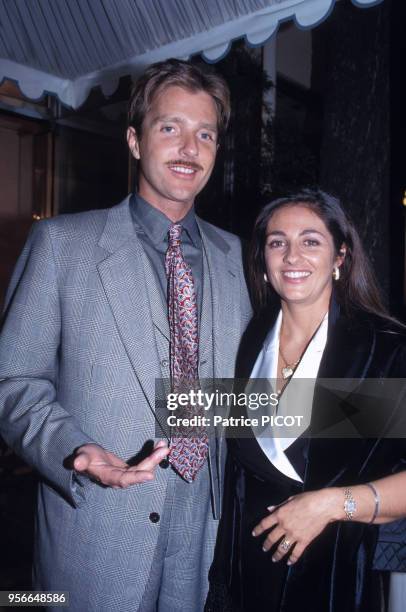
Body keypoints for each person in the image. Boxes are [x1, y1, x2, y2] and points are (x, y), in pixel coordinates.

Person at [0, 59, 252, 611]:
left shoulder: (234, 255)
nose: (189, 148)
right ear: (135, 141)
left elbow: (237, 397)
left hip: (202, 533)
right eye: (171, 128)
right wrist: (73, 450)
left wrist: (374, 417)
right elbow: (14, 381)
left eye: (205, 134)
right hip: (94, 528)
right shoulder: (62, 246)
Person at [206, 189, 406, 612]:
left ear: (340, 257)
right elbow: (199, 421)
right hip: (246, 576)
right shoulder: (246, 341)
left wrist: (332, 504)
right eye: (278, 242)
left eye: (311, 241)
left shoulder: (381, 351)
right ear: (263, 259)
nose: (292, 256)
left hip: (333, 583)